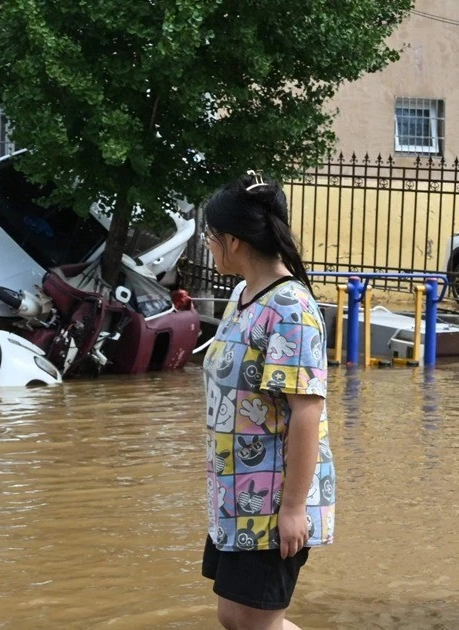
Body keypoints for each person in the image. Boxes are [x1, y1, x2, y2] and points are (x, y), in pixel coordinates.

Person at [199, 171, 334, 629]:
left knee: (258, 623)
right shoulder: (243, 295)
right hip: (235, 494)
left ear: (233, 241)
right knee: (233, 617)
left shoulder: (290, 308)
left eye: (211, 235)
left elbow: (307, 412)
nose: (208, 244)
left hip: (273, 499)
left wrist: (292, 509)